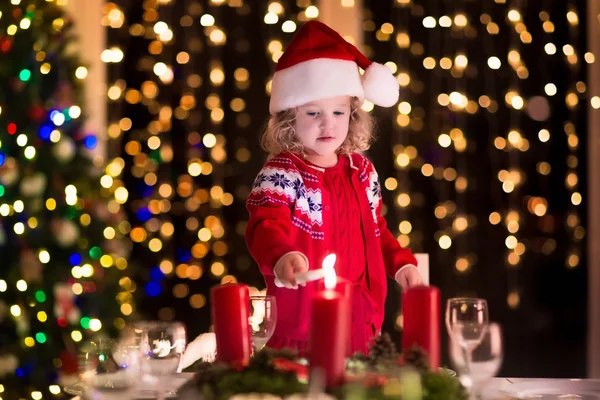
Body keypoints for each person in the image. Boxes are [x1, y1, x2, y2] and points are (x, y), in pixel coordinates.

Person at [245, 20, 422, 355]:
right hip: (303, 325)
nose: (328, 123)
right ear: (289, 121)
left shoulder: (362, 171)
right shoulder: (283, 173)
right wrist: (282, 255)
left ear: (352, 115)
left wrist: (400, 263)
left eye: (339, 112)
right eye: (313, 112)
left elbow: (376, 229)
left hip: (362, 320)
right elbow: (264, 225)